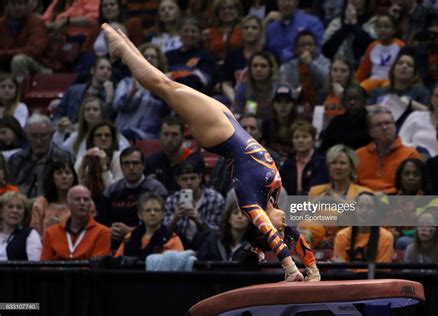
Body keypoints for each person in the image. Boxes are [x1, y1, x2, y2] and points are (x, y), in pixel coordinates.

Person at [102, 23, 320, 281]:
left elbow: (275, 238)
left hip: (220, 133)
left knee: (164, 86)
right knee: (165, 84)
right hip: (228, 126)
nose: (286, 230)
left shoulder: (252, 202)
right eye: (284, 232)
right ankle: (125, 46)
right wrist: (313, 270)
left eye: (279, 232)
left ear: (264, 229)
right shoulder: (271, 199)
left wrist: (291, 268)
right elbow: (291, 235)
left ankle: (123, 49)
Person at [98, 147, 168, 249]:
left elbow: (162, 226)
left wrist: (130, 232)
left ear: (143, 166)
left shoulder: (156, 189)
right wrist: (109, 231)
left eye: (135, 163)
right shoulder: (111, 191)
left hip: (148, 245)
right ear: (121, 167)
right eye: (126, 163)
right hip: (114, 244)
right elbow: (101, 223)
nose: (131, 167)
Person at [113, 43, 171, 141]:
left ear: (159, 62)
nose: (149, 59)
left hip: (148, 137)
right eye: (145, 56)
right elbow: (117, 106)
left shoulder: (164, 86)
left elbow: (167, 113)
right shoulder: (126, 83)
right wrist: (131, 94)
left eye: (153, 57)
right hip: (123, 134)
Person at [356, 106, 420, 193]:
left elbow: (413, 186)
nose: (384, 127)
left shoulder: (411, 155)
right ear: (370, 132)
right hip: (362, 201)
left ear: (395, 127)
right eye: (378, 125)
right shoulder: (358, 155)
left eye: (388, 123)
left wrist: (384, 194)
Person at [9, 114, 75, 198]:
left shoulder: (65, 158)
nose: (38, 141)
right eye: (33, 136)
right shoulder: (16, 160)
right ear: (27, 136)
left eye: (43, 136)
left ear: (51, 135)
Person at [164, 160, 225, 249]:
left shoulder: (215, 199)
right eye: (184, 179)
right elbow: (162, 233)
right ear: (178, 180)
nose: (189, 182)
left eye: (193, 178)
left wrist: (199, 221)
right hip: (178, 248)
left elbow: (220, 234)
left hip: (207, 247)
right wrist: (174, 219)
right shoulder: (172, 201)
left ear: (200, 178)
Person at [41, 185, 111, 260]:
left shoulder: (102, 232)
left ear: (91, 204)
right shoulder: (51, 232)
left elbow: (97, 267)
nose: (82, 203)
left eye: (86, 199)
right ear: (68, 203)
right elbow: (44, 265)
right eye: (77, 199)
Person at [368, 50, 430, 129]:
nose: (404, 66)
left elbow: (430, 114)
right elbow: (365, 111)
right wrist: (378, 108)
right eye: (400, 63)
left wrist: (411, 104)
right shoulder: (379, 92)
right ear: (393, 70)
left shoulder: (421, 92)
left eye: (409, 65)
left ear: (414, 74)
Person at [144, 116, 205, 194]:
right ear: (160, 136)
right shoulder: (152, 161)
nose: (169, 140)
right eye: (166, 134)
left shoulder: (194, 160)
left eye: (174, 135)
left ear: (183, 137)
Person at [114, 192, 184, 259]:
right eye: (148, 210)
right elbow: (116, 262)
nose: (152, 213)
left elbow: (179, 266)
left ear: (163, 214)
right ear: (140, 215)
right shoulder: (129, 237)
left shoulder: (172, 239)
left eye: (156, 210)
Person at [332, 192, 394, 263]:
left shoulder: (386, 237)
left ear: (375, 212)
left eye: (369, 207)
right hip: (347, 274)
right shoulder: (342, 236)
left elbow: (382, 271)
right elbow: (339, 269)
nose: (364, 211)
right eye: (360, 206)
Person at [280, 30, 330, 113]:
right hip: (296, 106)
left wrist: (310, 63)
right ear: (295, 49)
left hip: (321, 106)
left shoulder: (325, 62)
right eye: (303, 45)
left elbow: (327, 80)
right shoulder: (288, 66)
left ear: (316, 47)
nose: (307, 48)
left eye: (310, 45)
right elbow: (284, 85)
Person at [53, 57, 115, 124]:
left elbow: (109, 120)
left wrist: (109, 99)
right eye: (101, 68)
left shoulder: (111, 94)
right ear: (92, 70)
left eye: (109, 69)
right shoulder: (74, 90)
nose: (106, 71)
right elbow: (59, 114)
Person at [355, 14, 404, 94]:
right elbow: (363, 69)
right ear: (375, 30)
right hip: (373, 80)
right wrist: (354, 84)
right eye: (379, 27)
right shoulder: (372, 46)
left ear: (394, 30)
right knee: (359, 91)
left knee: (385, 90)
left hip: (391, 81)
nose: (383, 30)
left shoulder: (400, 46)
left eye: (387, 27)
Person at [221, 15, 264, 105]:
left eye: (254, 28)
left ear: (261, 31)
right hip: (236, 97)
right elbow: (226, 83)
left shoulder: (269, 54)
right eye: (246, 28)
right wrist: (235, 100)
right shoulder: (233, 55)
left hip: (262, 99)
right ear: (241, 32)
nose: (249, 31)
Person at [196, 192, 252, 261]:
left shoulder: (255, 246)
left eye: (244, 214)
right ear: (229, 218)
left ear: (250, 220)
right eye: (235, 213)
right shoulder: (213, 241)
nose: (239, 216)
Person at [264, 0, 324, 64]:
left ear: (297, 2)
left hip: (304, 68)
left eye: (290, 0)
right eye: (282, 0)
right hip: (275, 70)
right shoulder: (270, 26)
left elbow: (317, 51)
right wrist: (265, 22)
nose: (286, 3)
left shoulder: (312, 22)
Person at [30, 160, 79, 237]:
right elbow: (34, 235)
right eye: (59, 173)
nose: (64, 176)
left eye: (68, 173)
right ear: (52, 178)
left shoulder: (82, 202)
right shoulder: (41, 204)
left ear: (74, 177)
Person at [319, 84, 371, 155]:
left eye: (356, 99)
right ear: (343, 102)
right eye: (349, 99)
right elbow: (325, 149)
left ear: (364, 101)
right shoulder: (336, 122)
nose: (352, 102)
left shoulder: (372, 121)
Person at [280, 120, 328, 195]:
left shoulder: (321, 162)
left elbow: (318, 188)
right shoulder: (288, 164)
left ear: (313, 140)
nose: (300, 140)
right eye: (296, 137)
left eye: (305, 137)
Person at [75, 121, 124, 195]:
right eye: (98, 135)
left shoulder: (119, 158)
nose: (103, 138)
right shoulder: (84, 159)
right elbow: (77, 191)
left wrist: (104, 168)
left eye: (107, 135)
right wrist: (83, 166)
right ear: (92, 139)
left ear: (112, 140)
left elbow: (115, 191)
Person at [232, 51, 280, 120]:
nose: (258, 69)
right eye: (255, 66)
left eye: (263, 66)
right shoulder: (243, 89)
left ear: (271, 69)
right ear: (250, 69)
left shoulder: (278, 88)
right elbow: (237, 112)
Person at [0, 191, 42, 261]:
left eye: (19, 208)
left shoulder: (30, 235)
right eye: (10, 207)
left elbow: (36, 267)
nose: (15, 211)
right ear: (1, 212)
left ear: (25, 214)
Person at [261, 85, 298, 162]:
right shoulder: (265, 125)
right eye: (279, 102)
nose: (283, 106)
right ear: (273, 105)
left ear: (293, 105)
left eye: (287, 102)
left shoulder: (299, 126)